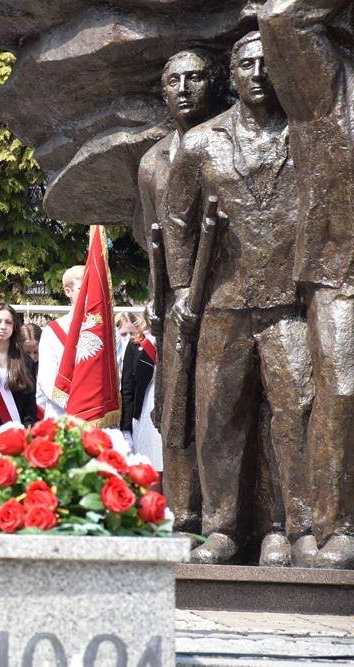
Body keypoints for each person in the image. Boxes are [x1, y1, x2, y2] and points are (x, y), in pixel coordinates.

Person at [165, 33, 313, 566]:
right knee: (219, 417)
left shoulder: (306, 133)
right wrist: (184, 288)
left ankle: (285, 527)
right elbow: (177, 219)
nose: (257, 73)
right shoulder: (202, 142)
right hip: (222, 304)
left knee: (294, 413)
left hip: (288, 301)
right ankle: (221, 528)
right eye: (247, 64)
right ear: (232, 73)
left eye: (266, 64)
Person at [258, 0, 354, 569]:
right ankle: (335, 527)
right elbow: (281, 18)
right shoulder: (334, 87)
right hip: (342, 270)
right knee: (341, 389)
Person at [140, 48, 227, 536]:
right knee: (174, 412)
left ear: (215, 84)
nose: (185, 89)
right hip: (172, 306)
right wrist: (158, 307)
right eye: (175, 81)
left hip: (223, 298)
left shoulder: (221, 144)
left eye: (196, 78)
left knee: (218, 411)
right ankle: (183, 514)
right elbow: (152, 237)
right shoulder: (153, 162)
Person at [0, 303, 37, 444]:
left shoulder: (25, 361)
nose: (3, 326)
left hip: (14, 431)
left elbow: (29, 406)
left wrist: (27, 435)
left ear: (14, 326)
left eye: (8, 322)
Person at [119, 313, 162, 486]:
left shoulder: (179, 339)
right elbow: (128, 387)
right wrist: (126, 427)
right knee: (149, 470)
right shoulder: (137, 342)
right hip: (145, 410)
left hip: (169, 404)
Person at [36, 265, 84, 418]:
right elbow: (46, 379)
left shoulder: (109, 331)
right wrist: (72, 403)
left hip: (96, 414)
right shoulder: (53, 331)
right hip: (62, 414)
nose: (88, 293)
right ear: (68, 292)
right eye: (82, 288)